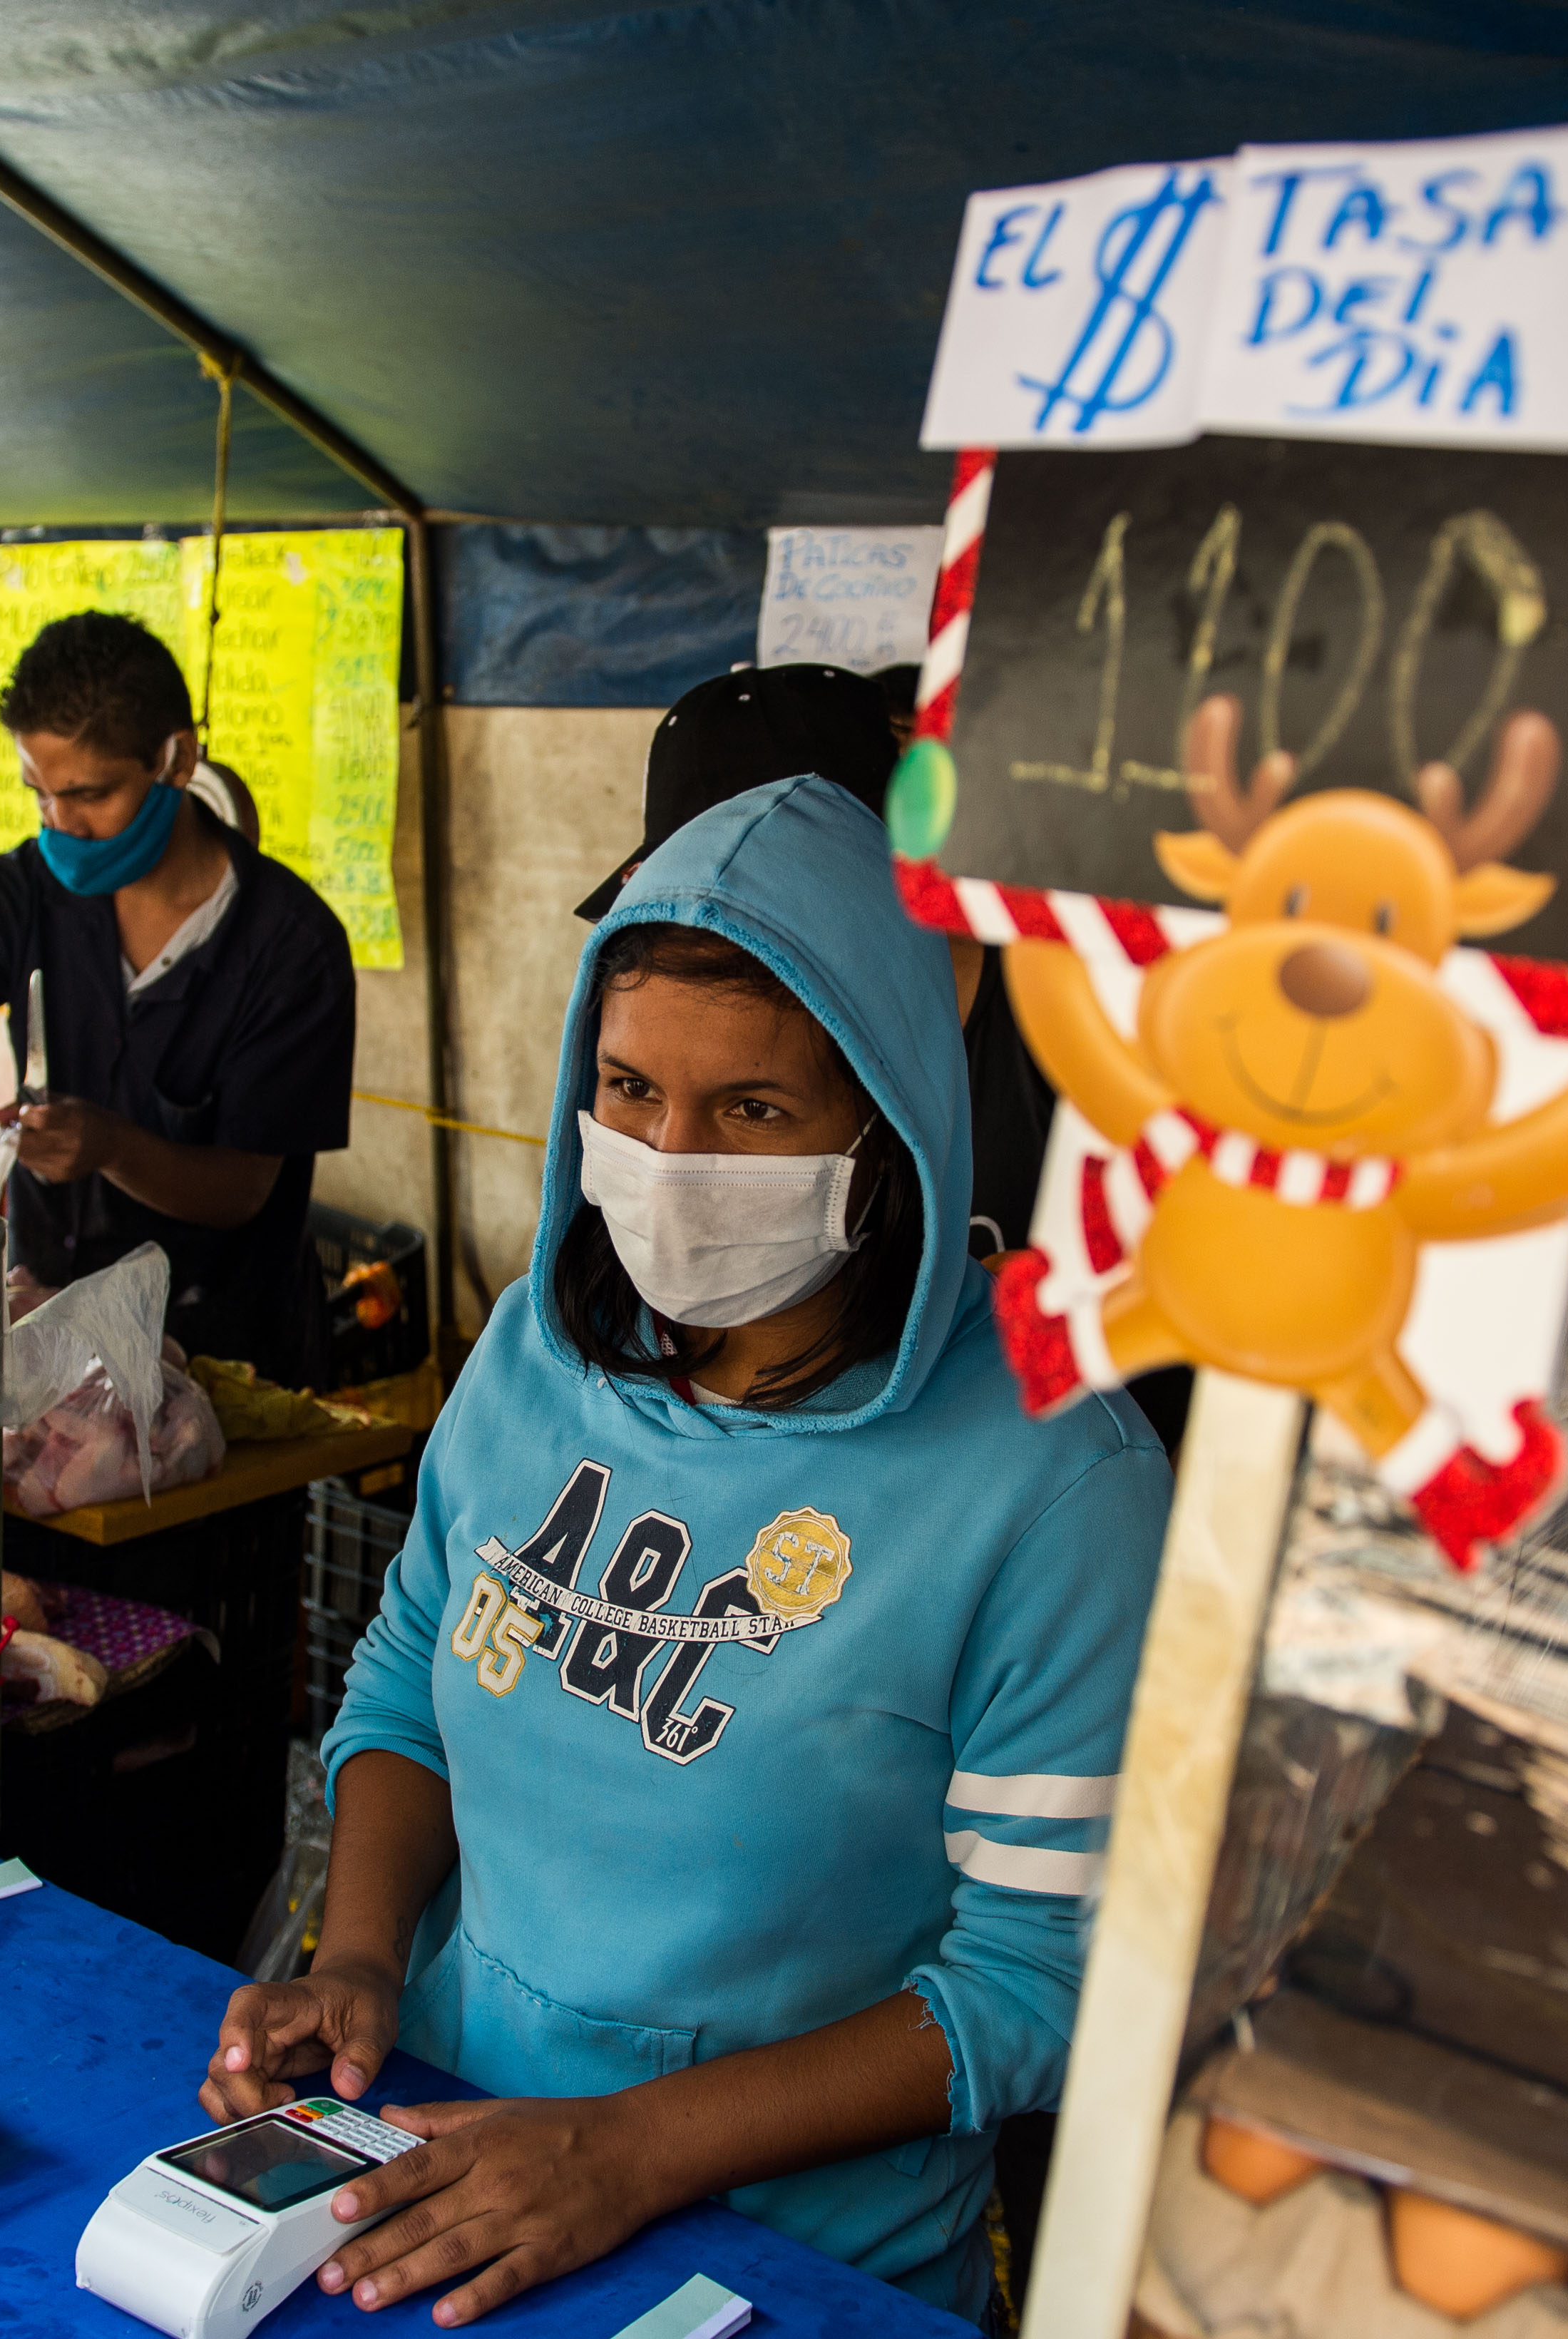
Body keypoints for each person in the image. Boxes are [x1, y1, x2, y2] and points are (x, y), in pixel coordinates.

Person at [208, 776, 1170, 2326]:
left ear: (888, 1117)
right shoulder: (538, 1347)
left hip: (786, 2263)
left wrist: (630, 2148)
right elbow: (404, 1681)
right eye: (631, 1089)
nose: (669, 1154)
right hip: (438, 2157)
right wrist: (366, 1956)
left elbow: (1039, 1981)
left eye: (754, 1110)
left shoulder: (1053, 1474)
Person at [0, 612, 354, 1381]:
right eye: (39, 794)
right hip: (43, 1343)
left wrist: (113, 1148)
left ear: (176, 759)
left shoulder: (292, 946)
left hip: (222, 1363)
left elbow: (243, 1187)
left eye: (88, 794)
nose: (60, 823)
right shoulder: (12, 898)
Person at [577, 665, 1056, 1271]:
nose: (675, 1153)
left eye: (764, 913)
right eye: (635, 1087)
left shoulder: (1065, 1020)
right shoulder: (647, 1048)